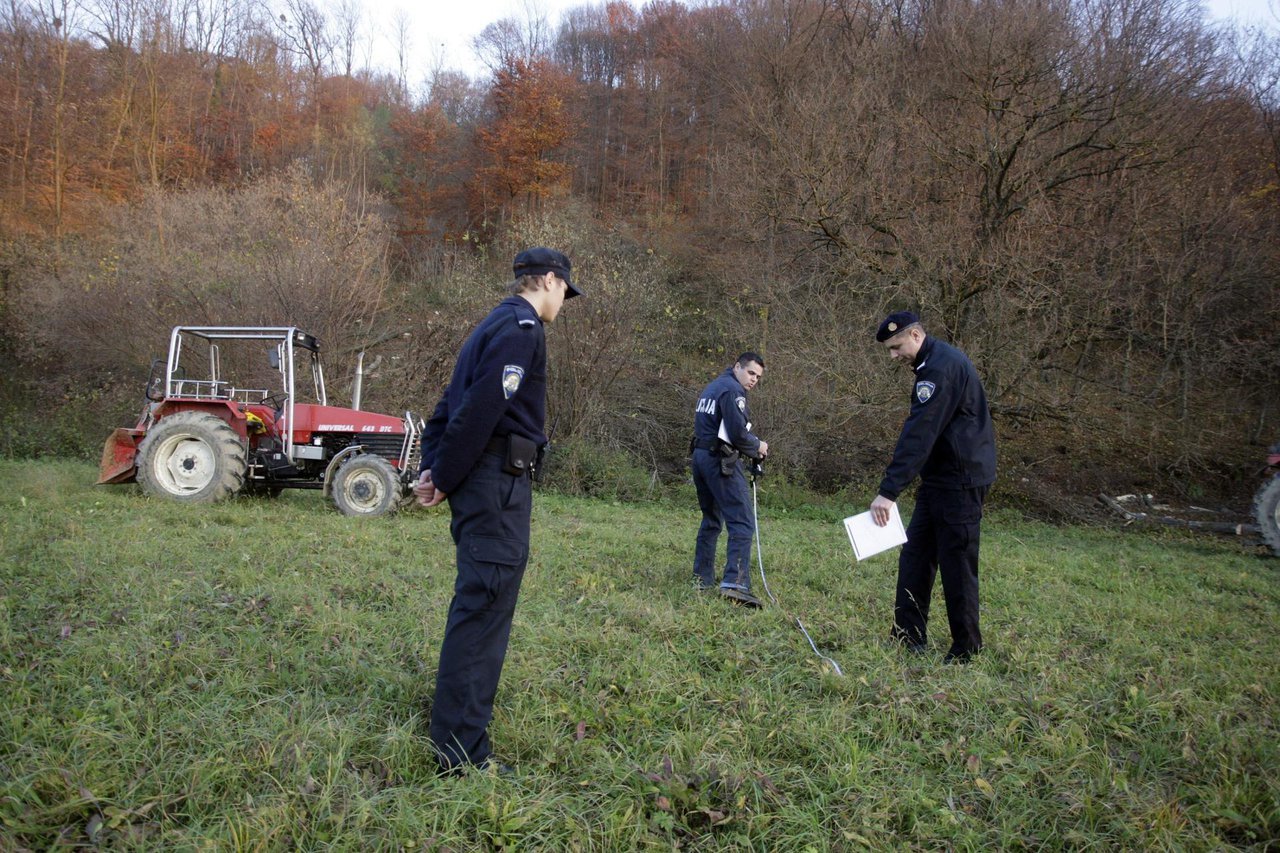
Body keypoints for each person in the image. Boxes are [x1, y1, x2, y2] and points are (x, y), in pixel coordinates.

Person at [413, 247, 581, 774]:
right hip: (497, 486)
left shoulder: (490, 326)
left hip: (482, 481)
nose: (564, 303)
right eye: (564, 292)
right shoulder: (522, 329)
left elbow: (448, 406)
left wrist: (434, 467)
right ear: (550, 280)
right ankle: (460, 752)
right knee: (484, 609)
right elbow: (482, 409)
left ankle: (451, 725)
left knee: (477, 604)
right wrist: (441, 475)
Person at [869, 311, 996, 663]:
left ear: (915, 335)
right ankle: (908, 636)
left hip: (961, 481)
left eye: (896, 347)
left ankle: (966, 649)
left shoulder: (939, 370)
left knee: (957, 563)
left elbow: (920, 434)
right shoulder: (932, 363)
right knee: (916, 556)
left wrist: (889, 491)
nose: (894, 356)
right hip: (939, 480)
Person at [690, 352, 769, 606]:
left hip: (700, 457)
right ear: (737, 367)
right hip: (718, 460)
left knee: (712, 519)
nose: (754, 379)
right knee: (743, 521)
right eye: (751, 372)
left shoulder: (713, 387)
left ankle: (702, 578)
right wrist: (759, 446)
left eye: (758, 376)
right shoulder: (733, 391)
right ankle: (735, 584)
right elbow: (737, 434)